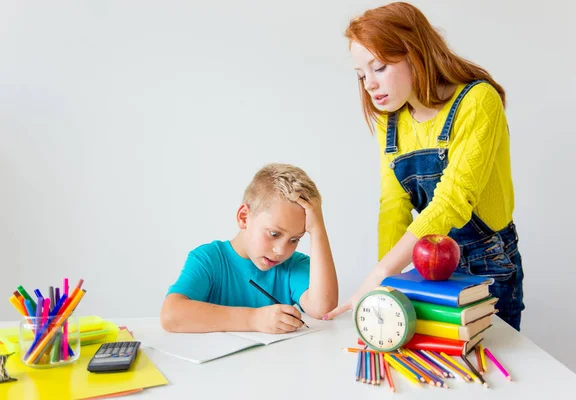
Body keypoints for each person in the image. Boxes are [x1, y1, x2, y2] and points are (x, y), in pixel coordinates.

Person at [324, 2, 524, 330]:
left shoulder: (478, 101)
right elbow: (393, 206)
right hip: (425, 266)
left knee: (487, 366)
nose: (369, 85)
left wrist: (379, 274)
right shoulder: (391, 123)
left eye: (379, 67)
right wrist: (389, 283)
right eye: (361, 75)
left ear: (415, 53)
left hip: (487, 263)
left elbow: (453, 201)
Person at [161, 163, 338, 333]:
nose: (281, 251)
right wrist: (253, 319)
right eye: (274, 234)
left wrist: (317, 229)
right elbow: (171, 315)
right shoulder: (209, 259)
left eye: (294, 239)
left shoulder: (293, 265)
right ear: (244, 217)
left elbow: (322, 308)